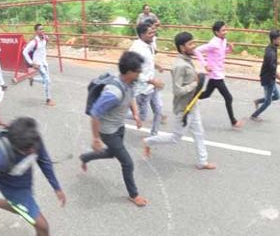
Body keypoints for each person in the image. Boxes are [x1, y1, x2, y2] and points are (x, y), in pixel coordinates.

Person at [79, 51, 148, 207]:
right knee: (128, 163)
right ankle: (133, 195)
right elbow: (95, 113)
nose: (140, 73)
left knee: (111, 153)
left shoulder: (130, 83)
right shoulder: (113, 93)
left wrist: (136, 114)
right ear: (129, 72)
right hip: (108, 132)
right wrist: (96, 138)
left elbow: (131, 97)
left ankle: (85, 157)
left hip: (119, 126)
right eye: (138, 70)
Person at [143, 32, 216, 170]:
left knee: (199, 133)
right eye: (190, 44)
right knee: (175, 138)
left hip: (192, 105)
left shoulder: (187, 61)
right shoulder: (179, 66)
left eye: (194, 43)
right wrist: (196, 84)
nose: (194, 47)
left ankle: (202, 161)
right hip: (184, 108)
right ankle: (148, 141)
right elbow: (177, 90)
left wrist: (202, 75)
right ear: (182, 47)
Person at [195, 21, 243, 129]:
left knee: (206, 94)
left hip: (219, 73)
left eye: (226, 29)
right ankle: (233, 121)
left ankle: (190, 97)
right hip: (216, 74)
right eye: (223, 30)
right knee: (229, 98)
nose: (225, 32)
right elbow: (197, 50)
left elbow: (222, 53)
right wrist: (205, 65)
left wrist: (230, 48)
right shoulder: (213, 43)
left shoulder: (223, 40)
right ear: (216, 32)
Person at [128, 21, 165, 136]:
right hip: (141, 89)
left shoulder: (149, 43)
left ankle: (154, 135)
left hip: (151, 86)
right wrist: (151, 80)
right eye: (150, 33)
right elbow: (132, 72)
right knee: (141, 115)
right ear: (142, 35)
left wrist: (157, 66)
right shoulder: (136, 50)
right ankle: (114, 112)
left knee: (158, 109)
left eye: (153, 32)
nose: (153, 35)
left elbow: (148, 62)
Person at [250, 29, 280, 122]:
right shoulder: (271, 54)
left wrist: (276, 62)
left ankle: (258, 101)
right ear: (274, 40)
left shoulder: (271, 47)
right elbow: (274, 72)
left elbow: (271, 66)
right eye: (279, 39)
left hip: (269, 77)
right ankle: (254, 116)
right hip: (268, 79)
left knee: (277, 96)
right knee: (268, 102)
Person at [22, 24, 55, 106]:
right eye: (40, 29)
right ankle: (48, 100)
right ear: (36, 31)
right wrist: (32, 63)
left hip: (44, 62)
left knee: (47, 80)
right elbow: (24, 52)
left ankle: (33, 79)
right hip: (38, 64)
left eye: (43, 29)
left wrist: (50, 38)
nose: (42, 30)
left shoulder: (44, 39)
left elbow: (46, 45)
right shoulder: (34, 42)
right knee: (47, 80)